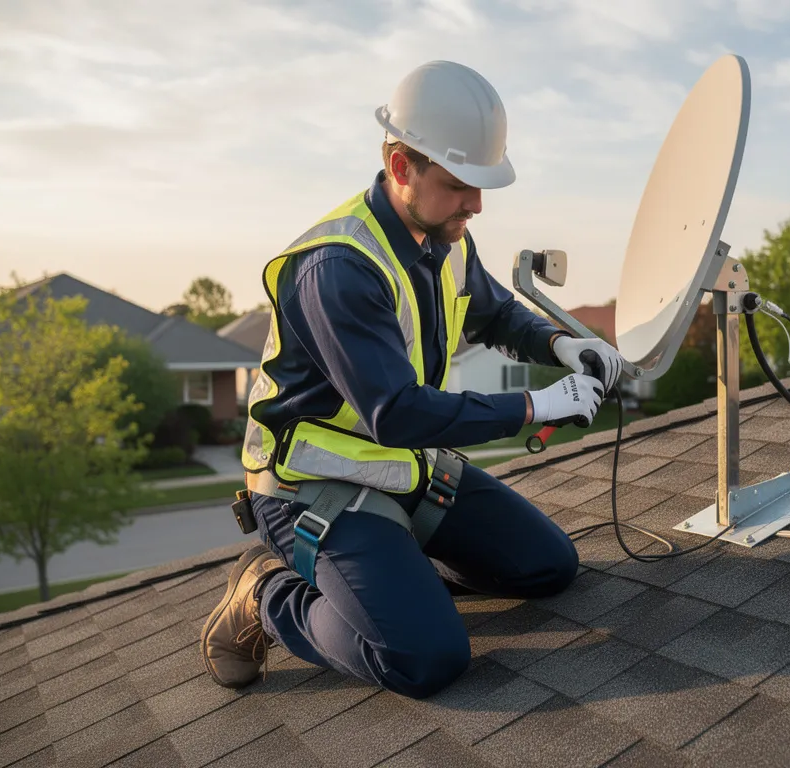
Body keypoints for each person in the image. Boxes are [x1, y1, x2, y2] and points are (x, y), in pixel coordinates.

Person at [199, 60, 624, 699]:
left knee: (549, 567)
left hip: (403, 466)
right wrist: (534, 407)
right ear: (402, 167)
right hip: (312, 485)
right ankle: (266, 593)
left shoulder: (446, 235)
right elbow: (395, 412)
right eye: (459, 185)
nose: (476, 205)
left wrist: (562, 343)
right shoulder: (339, 268)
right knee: (426, 657)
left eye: (481, 187)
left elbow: (495, 313)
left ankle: (396, 585)